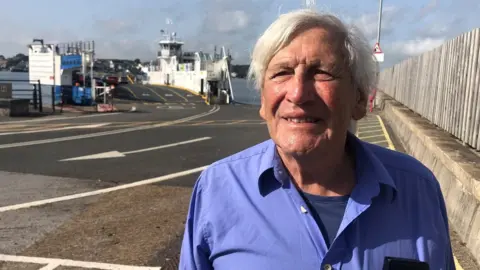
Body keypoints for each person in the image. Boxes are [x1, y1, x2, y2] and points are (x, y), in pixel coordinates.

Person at [179, 9, 454, 270]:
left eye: (322, 73)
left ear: (360, 99)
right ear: (263, 100)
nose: (298, 93)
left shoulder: (418, 190)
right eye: (282, 73)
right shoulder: (218, 190)